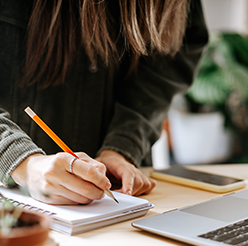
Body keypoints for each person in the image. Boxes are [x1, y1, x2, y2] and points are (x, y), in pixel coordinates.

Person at [0, 0, 208, 205]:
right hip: (14, 201)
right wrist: (22, 162)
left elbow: (174, 55)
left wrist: (122, 146)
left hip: (123, 194)